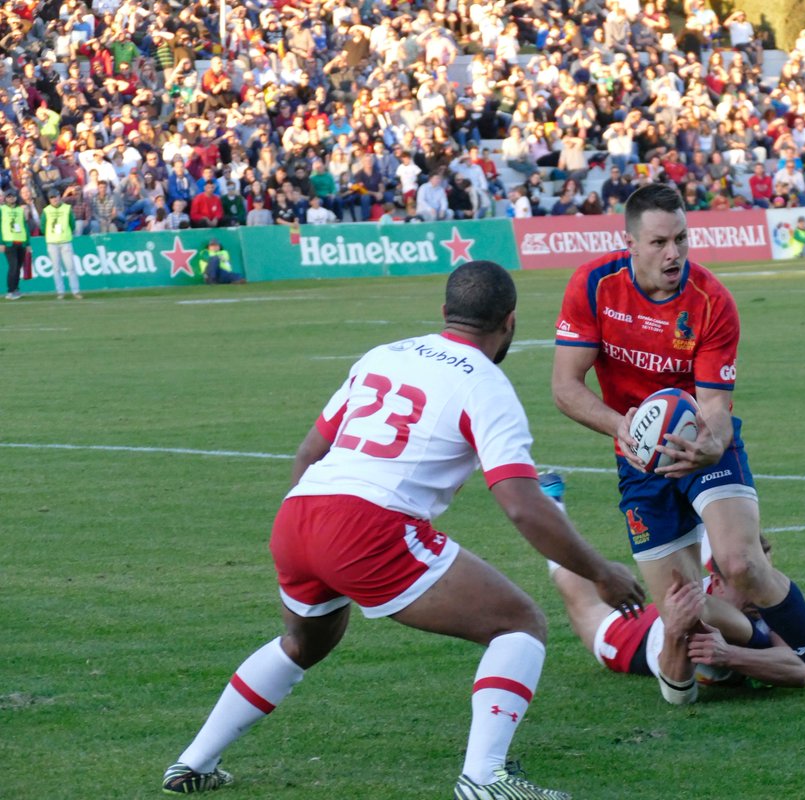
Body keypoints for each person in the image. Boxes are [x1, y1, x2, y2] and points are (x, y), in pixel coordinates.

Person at [161, 261, 643, 798]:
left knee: (301, 643)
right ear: (509, 323)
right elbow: (522, 506)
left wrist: (315, 535)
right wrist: (601, 572)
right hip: (369, 526)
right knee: (519, 624)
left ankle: (193, 762)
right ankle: (485, 778)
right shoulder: (486, 384)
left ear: (445, 313)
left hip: (299, 512)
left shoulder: (383, 355)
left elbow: (308, 452)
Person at [551, 183, 805, 714]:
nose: (674, 253)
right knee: (683, 611)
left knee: (741, 563)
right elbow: (566, 387)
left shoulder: (711, 301)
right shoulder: (593, 286)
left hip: (701, 441)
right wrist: (622, 428)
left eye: (681, 238)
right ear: (630, 242)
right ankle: (690, 677)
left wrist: (713, 444)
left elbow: (716, 407)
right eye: (659, 242)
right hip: (639, 461)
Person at [540, 473, 805, 691]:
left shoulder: (766, 590)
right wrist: (674, 632)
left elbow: (800, 669)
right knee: (582, 604)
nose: (758, 588)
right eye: (746, 581)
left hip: (693, 599)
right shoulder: (692, 612)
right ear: (716, 582)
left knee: (723, 533)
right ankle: (550, 504)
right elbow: (675, 688)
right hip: (640, 636)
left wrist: (729, 656)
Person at [41, 188, 83, 300]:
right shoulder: (46, 211)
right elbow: (43, 226)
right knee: (56, 268)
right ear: (49, 200)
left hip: (65, 241)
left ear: (59, 197)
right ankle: (60, 291)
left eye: (55, 196)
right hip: (52, 242)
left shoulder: (67, 208)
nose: (54, 199)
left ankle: (75, 290)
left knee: (71, 267)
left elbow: (72, 224)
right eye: (52, 197)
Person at [1, 189, 28, 300]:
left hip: (20, 242)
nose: (11, 198)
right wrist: (1, 242)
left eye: (13, 196)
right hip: (9, 242)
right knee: (13, 266)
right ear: (5, 198)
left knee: (18, 267)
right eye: (9, 197)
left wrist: (27, 242)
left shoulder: (20, 210)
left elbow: (24, 226)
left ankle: (16, 289)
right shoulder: (2, 209)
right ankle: (10, 291)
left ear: (16, 198)